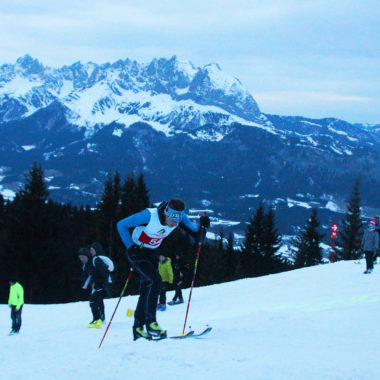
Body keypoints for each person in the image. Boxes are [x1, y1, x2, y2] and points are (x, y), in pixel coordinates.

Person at [117, 199, 210, 340]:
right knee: (155, 280)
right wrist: (130, 247)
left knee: (147, 288)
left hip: (153, 253)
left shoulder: (179, 218)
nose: (174, 224)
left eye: (177, 221)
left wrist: (203, 226)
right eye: (171, 220)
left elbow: (198, 238)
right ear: (165, 212)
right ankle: (151, 324)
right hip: (138, 252)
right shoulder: (148, 216)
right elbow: (121, 225)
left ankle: (138, 328)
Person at [78, 244, 109, 328]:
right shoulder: (86, 265)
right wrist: (85, 286)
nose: (82, 259)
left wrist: (105, 284)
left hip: (102, 284)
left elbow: (104, 272)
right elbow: (88, 277)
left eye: (83, 257)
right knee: (97, 301)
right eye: (80, 257)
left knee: (93, 301)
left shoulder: (96, 260)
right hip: (97, 285)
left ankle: (97, 319)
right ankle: (100, 319)